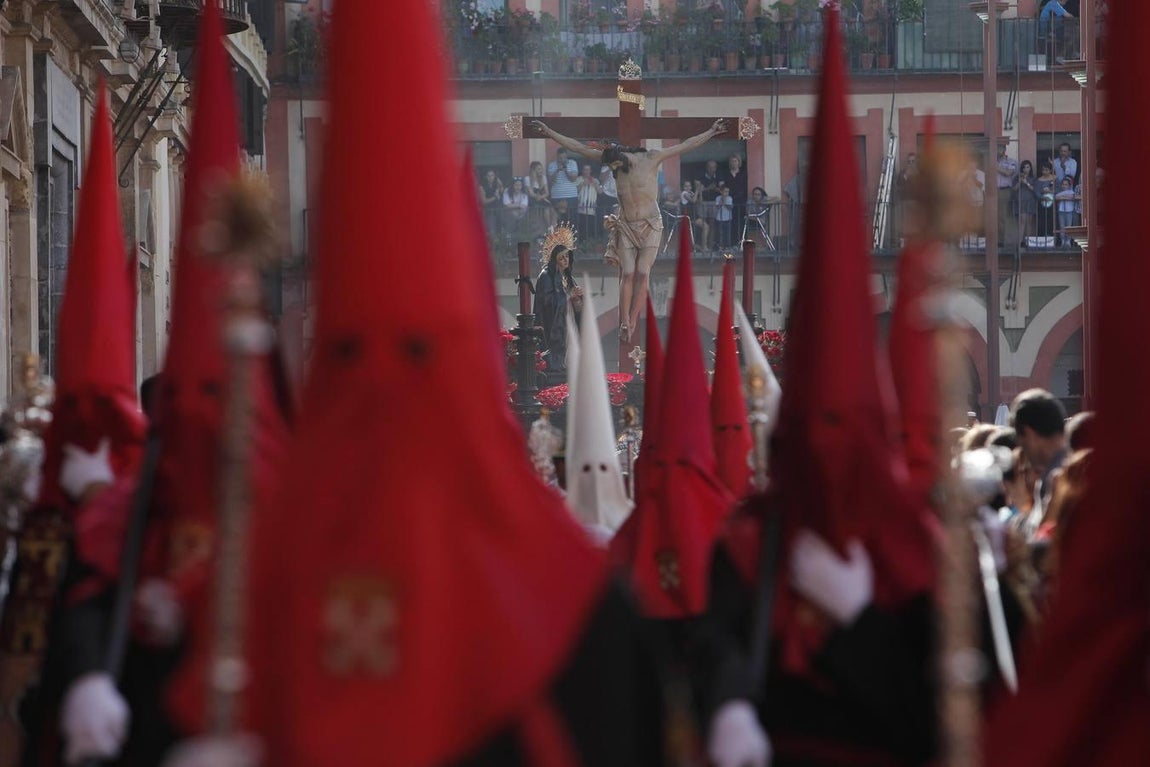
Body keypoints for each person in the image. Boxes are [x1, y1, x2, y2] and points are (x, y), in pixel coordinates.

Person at [532, 118, 727, 342]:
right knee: (627, 273)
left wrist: (711, 132)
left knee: (642, 273)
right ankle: (624, 321)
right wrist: (550, 132)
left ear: (622, 158)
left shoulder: (652, 157)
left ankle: (632, 320)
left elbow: (685, 145)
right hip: (625, 224)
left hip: (650, 224)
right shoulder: (611, 160)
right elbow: (578, 147)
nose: (613, 171)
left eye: (615, 167)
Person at [533, 224, 584, 375]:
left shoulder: (568, 278)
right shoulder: (546, 276)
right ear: (554, 260)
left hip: (568, 322)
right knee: (555, 358)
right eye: (561, 258)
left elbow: (578, 307)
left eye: (567, 256)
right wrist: (568, 296)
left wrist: (578, 300)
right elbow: (547, 303)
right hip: (552, 325)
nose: (565, 260)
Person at [547, 146, 579, 222]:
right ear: (557, 156)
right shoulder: (551, 165)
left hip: (571, 195)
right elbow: (550, 181)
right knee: (557, 220)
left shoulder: (572, 163)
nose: (562, 160)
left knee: (571, 219)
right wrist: (557, 170)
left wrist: (566, 170)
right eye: (560, 158)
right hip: (557, 196)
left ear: (566, 156)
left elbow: (573, 179)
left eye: (564, 158)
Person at [525, 160, 554, 232]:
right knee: (535, 210)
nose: (541, 171)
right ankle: (536, 230)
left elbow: (547, 193)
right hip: (532, 198)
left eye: (541, 169)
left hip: (541, 197)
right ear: (533, 170)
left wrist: (541, 197)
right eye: (538, 169)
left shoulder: (543, 178)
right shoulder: (527, 178)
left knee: (549, 207)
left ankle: (550, 227)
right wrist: (533, 179)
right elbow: (531, 193)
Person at [1017, 160, 1037, 245]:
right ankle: (1020, 241)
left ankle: (1028, 241)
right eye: (1024, 167)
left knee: (1029, 221)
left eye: (1028, 167)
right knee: (1022, 221)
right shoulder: (1018, 177)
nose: (1026, 169)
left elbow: (1035, 189)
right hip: (1022, 200)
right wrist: (1020, 181)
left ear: (1030, 168)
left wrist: (1027, 183)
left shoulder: (1033, 178)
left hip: (1030, 201)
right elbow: (1014, 189)